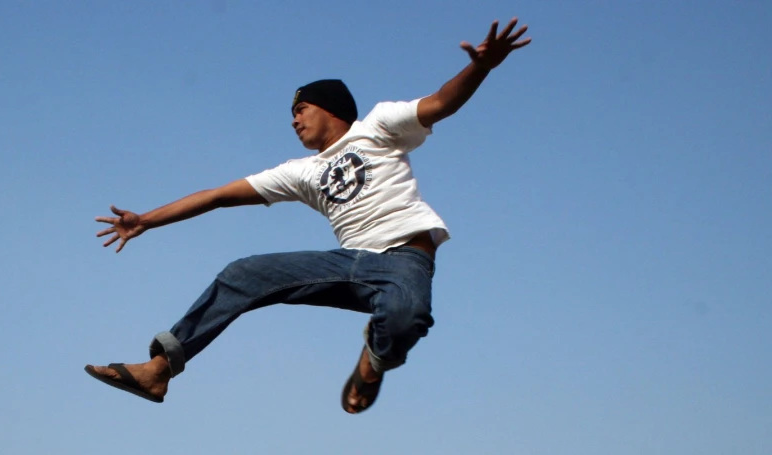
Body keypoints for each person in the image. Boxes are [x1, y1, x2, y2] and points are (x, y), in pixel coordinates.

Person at [85, 17, 531, 414]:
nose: (294, 121)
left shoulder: (377, 126)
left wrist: (481, 66)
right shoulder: (300, 172)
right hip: (347, 263)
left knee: (403, 319)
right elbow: (218, 195)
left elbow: (440, 103)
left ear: (330, 108)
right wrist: (146, 220)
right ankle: (159, 368)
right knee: (243, 273)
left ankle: (371, 362)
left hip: (403, 259)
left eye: (301, 110)